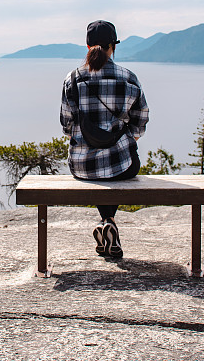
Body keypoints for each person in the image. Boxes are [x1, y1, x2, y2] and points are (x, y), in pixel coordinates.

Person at [60, 20, 149, 259]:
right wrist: (127, 137)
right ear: (113, 47)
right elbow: (141, 120)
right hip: (122, 165)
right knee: (118, 164)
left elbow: (66, 124)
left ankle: (106, 221)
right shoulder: (128, 78)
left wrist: (83, 139)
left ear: (88, 46)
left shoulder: (73, 79)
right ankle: (108, 220)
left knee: (99, 170)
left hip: (82, 166)